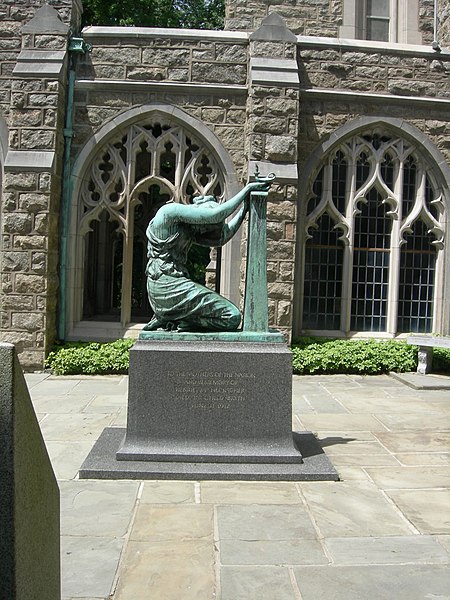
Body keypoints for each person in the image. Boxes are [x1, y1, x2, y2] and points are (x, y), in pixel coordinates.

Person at [143, 177, 273, 332]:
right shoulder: (169, 213)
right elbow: (215, 214)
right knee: (231, 316)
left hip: (172, 286)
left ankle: (179, 321)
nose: (204, 230)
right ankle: (174, 319)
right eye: (205, 226)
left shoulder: (188, 230)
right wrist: (246, 190)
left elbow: (222, 238)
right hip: (165, 285)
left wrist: (245, 208)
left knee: (231, 320)